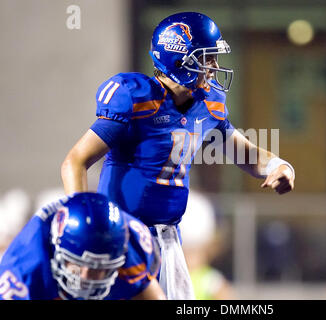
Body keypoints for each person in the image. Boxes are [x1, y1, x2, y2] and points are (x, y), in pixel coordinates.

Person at [61, 12, 295, 299]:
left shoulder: (208, 102)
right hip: (124, 238)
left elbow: (244, 154)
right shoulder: (135, 98)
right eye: (207, 58)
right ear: (179, 58)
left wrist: (278, 165)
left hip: (168, 241)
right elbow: (75, 161)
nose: (214, 67)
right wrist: (85, 225)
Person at [0, 192, 166, 300]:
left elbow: (147, 293)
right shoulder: (23, 273)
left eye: (99, 268)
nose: (86, 277)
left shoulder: (134, 245)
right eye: (78, 264)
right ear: (56, 250)